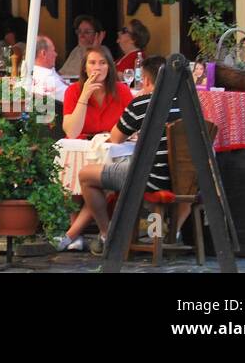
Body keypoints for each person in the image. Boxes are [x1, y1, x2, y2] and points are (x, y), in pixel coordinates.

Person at [59, 56, 184, 254]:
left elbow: (115, 139)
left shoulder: (143, 103)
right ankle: (166, 234)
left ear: (147, 80)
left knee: (86, 175)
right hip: (185, 179)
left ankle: (107, 234)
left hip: (152, 178)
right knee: (118, 170)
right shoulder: (189, 104)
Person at [62, 46, 132, 139]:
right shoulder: (72, 90)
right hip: (80, 147)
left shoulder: (122, 90)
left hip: (111, 146)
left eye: (103, 63)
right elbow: (72, 133)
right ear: (84, 68)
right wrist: (84, 96)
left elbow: (134, 127)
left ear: (109, 67)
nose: (97, 68)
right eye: (92, 63)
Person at [25, 35, 68, 103]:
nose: (56, 54)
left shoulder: (27, 75)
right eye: (53, 50)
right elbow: (75, 98)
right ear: (44, 53)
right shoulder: (50, 80)